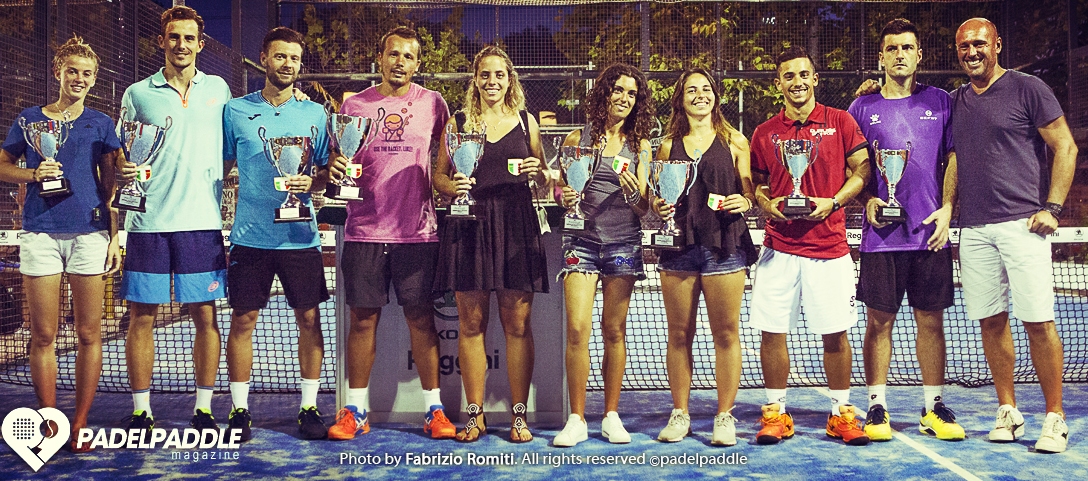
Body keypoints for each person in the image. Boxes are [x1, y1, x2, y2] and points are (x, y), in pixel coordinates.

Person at [324, 26, 456, 441]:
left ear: (418, 64)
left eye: (409, 56)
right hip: (364, 229)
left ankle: (434, 410)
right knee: (362, 321)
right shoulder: (354, 104)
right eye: (393, 54)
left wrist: (452, 182)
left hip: (418, 232)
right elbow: (338, 156)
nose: (400, 62)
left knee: (422, 320)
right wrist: (336, 167)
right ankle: (356, 411)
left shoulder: (434, 104)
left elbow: (447, 160)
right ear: (380, 59)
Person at [952, 18, 1077, 453]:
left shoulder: (1028, 88)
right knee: (990, 321)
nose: (972, 51)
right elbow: (952, 158)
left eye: (980, 43)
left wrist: (1054, 207)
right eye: (964, 45)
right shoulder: (956, 101)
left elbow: (1065, 145)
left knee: (1038, 321)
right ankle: (1008, 409)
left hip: (1024, 225)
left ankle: (1055, 418)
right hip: (974, 230)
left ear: (997, 45)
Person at [0, 36, 122, 452]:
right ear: (58, 72)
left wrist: (113, 235)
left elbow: (111, 184)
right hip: (40, 233)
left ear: (94, 79)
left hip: (90, 235)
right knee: (43, 335)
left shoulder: (102, 123)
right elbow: (3, 165)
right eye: (73, 71)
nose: (80, 79)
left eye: (87, 74)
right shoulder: (30, 119)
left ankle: (81, 421)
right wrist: (32, 175)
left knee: (90, 334)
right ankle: (49, 419)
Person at [116, 5, 232, 433]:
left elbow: (230, 149)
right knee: (140, 317)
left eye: (189, 38)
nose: (180, 44)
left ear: (201, 44)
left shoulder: (219, 90)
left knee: (206, 316)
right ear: (161, 41)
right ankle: (141, 411)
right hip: (146, 223)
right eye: (173, 37)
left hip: (201, 224)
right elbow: (123, 155)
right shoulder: (137, 93)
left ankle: (203, 410)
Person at [848, 18, 964, 442]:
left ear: (919, 55)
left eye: (907, 47)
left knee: (930, 321)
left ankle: (933, 406)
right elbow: (853, 167)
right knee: (879, 321)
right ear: (881, 57)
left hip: (930, 232)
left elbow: (952, 158)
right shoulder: (860, 109)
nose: (900, 54)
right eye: (892, 48)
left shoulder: (942, 101)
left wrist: (948, 209)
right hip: (881, 237)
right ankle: (876, 406)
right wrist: (867, 200)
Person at [749, 46, 871, 446]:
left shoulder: (841, 121)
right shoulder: (765, 132)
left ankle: (840, 414)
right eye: (788, 76)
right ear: (778, 83)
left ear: (815, 79)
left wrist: (833, 202)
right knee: (772, 332)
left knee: (835, 334)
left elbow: (862, 171)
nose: (797, 82)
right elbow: (759, 184)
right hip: (779, 247)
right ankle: (775, 413)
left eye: (804, 74)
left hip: (830, 248)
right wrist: (767, 204)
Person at [222, 26, 332, 442]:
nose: (287, 65)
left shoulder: (315, 114)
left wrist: (314, 183)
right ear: (264, 59)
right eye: (280, 56)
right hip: (250, 238)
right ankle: (239, 411)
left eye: (294, 59)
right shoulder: (234, 110)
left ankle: (308, 407)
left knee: (309, 319)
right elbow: (220, 165)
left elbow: (326, 173)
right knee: (243, 320)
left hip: (300, 238)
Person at [432, 45, 548, 443]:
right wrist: (452, 188)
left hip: (517, 224)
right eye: (485, 75)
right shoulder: (457, 122)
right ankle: (475, 416)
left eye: (499, 75)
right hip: (469, 226)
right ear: (475, 80)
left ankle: (519, 417)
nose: (492, 82)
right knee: (471, 324)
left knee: (517, 325)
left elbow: (545, 177)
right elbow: (439, 178)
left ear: (509, 80)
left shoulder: (527, 122)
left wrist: (542, 173)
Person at [651, 68, 757, 446]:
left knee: (726, 334)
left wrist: (744, 200)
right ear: (681, 99)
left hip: (723, 248)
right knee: (679, 334)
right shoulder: (666, 145)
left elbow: (750, 191)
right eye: (691, 90)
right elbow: (655, 197)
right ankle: (680, 413)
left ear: (716, 95)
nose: (700, 95)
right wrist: (659, 206)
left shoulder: (735, 141)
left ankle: (723, 416)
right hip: (678, 248)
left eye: (706, 89)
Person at [551, 64, 652, 447]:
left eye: (631, 93)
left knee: (615, 330)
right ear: (604, 93)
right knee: (577, 329)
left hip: (624, 243)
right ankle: (576, 418)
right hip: (581, 244)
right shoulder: (577, 138)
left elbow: (644, 208)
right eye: (618, 90)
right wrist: (567, 198)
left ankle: (611, 415)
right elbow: (562, 194)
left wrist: (631, 194)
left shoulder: (640, 146)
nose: (624, 98)